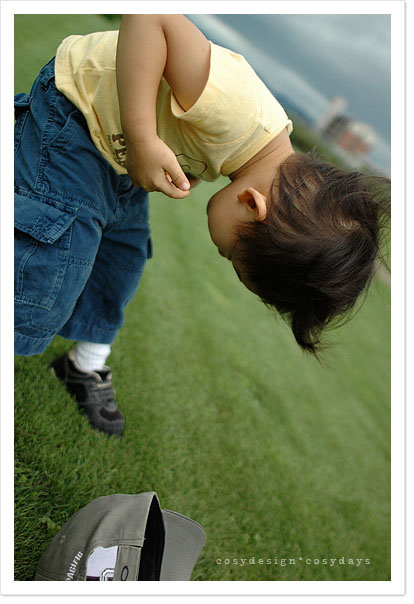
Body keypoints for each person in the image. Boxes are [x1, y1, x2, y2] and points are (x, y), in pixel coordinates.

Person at [14, 14, 389, 437]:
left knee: (124, 258)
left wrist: (172, 149)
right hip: (78, 113)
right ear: (251, 204)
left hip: (114, 153)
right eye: (231, 253)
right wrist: (142, 139)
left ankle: (83, 365)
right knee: (53, 256)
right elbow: (150, 16)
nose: (223, 252)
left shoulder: (257, 155)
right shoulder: (235, 108)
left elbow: (194, 130)